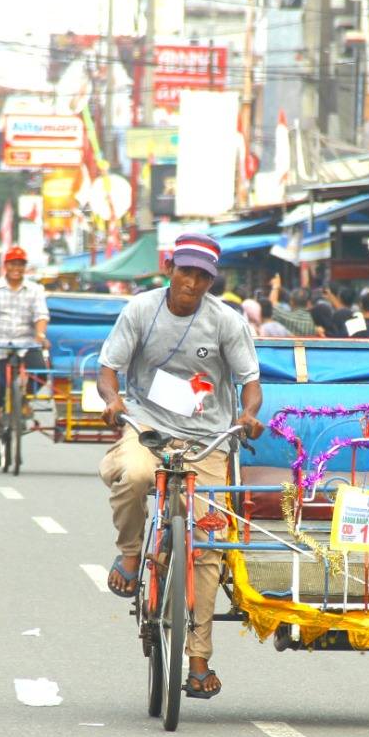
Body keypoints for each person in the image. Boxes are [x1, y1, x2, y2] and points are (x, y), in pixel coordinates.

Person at [95, 232, 263, 700]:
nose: (192, 282)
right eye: (186, 271)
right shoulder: (140, 310)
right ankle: (131, 554)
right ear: (170, 267)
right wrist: (112, 401)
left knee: (206, 548)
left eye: (203, 276)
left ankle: (199, 661)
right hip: (148, 426)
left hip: (209, 439)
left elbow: (250, 381)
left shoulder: (226, 321)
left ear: (212, 280)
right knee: (134, 475)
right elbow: (109, 368)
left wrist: (248, 415)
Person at [0, 246, 49, 459]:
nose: (16, 268)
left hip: (27, 343)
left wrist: (40, 335)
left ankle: (24, 400)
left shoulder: (35, 289)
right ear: (5, 266)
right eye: (12, 264)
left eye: (20, 264)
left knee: (41, 373)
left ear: (25, 267)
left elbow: (41, 315)